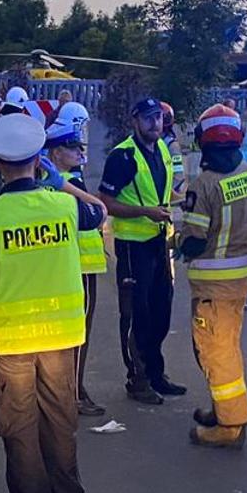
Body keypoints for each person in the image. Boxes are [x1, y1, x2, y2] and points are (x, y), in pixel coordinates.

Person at [0, 112, 105, 493]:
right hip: (61, 339)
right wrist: (61, 182)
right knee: (60, 423)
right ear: (38, 159)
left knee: (19, 429)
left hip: (12, 343)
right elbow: (99, 210)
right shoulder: (65, 207)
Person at [176, 105, 247, 448]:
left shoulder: (204, 185)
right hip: (240, 279)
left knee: (216, 353)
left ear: (203, 142)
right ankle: (221, 409)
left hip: (213, 283)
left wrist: (179, 237)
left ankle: (230, 426)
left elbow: (195, 241)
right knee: (227, 345)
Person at [99, 98, 183, 405]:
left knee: (162, 310)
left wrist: (181, 199)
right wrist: (145, 212)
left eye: (158, 117)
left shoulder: (162, 148)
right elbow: (106, 202)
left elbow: (161, 191)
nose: (155, 123)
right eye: (148, 118)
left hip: (159, 241)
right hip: (133, 245)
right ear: (135, 121)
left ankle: (156, 373)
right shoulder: (123, 156)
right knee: (137, 313)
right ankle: (138, 379)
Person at [39, 116, 109, 417]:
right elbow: (93, 216)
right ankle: (75, 393)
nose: (81, 153)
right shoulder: (68, 185)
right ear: (56, 153)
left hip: (61, 268)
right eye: (73, 148)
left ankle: (62, 389)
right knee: (79, 334)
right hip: (80, 268)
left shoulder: (48, 184)